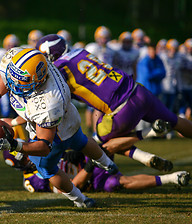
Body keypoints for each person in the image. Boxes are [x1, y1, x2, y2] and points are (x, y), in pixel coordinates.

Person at [0, 47, 118, 208]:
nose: (13, 84)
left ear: (38, 81)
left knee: (47, 169)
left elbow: (44, 146)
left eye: (21, 81)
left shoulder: (48, 103)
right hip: (70, 117)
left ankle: (80, 200)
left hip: (57, 131)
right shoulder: (22, 63)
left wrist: (14, 145)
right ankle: (107, 163)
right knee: (81, 141)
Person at [36, 34, 192, 171]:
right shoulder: (81, 52)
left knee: (100, 145)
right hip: (138, 91)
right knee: (176, 121)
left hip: (121, 109)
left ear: (50, 55)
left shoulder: (60, 69)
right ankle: (147, 154)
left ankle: (147, 138)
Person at [2, 150, 190, 193]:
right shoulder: (35, 180)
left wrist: (72, 153)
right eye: (26, 157)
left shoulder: (40, 151)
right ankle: (172, 178)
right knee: (116, 183)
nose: (30, 155)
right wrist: (90, 167)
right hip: (88, 180)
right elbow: (71, 187)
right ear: (21, 165)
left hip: (84, 162)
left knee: (106, 140)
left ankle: (146, 143)